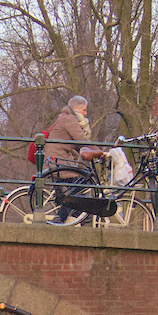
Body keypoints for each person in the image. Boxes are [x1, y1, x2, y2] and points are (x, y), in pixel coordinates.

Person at [43, 96, 104, 224]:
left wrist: (88, 152)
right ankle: (64, 216)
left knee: (76, 185)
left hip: (56, 159)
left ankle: (75, 214)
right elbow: (81, 139)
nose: (86, 113)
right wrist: (99, 152)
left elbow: (76, 144)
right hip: (58, 160)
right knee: (80, 184)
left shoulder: (65, 118)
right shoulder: (69, 119)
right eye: (84, 110)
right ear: (76, 108)